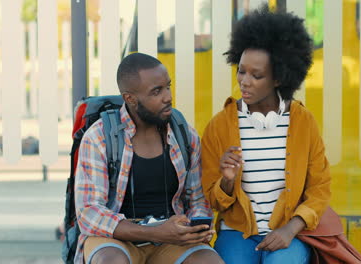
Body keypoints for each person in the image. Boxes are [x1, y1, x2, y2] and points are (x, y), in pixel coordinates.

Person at [201, 6, 331, 264]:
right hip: (237, 233)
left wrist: (290, 229)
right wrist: (227, 181)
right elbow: (212, 201)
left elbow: (320, 188)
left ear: (278, 79)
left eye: (256, 75)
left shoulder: (303, 122)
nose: (244, 81)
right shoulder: (219, 126)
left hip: (289, 232)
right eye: (241, 70)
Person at [74, 53, 223, 264]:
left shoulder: (184, 134)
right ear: (130, 99)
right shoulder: (99, 138)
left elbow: (197, 199)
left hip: (171, 237)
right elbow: (89, 212)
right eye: (156, 91)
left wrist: (195, 226)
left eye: (168, 87)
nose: (167, 97)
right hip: (116, 238)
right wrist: (154, 233)